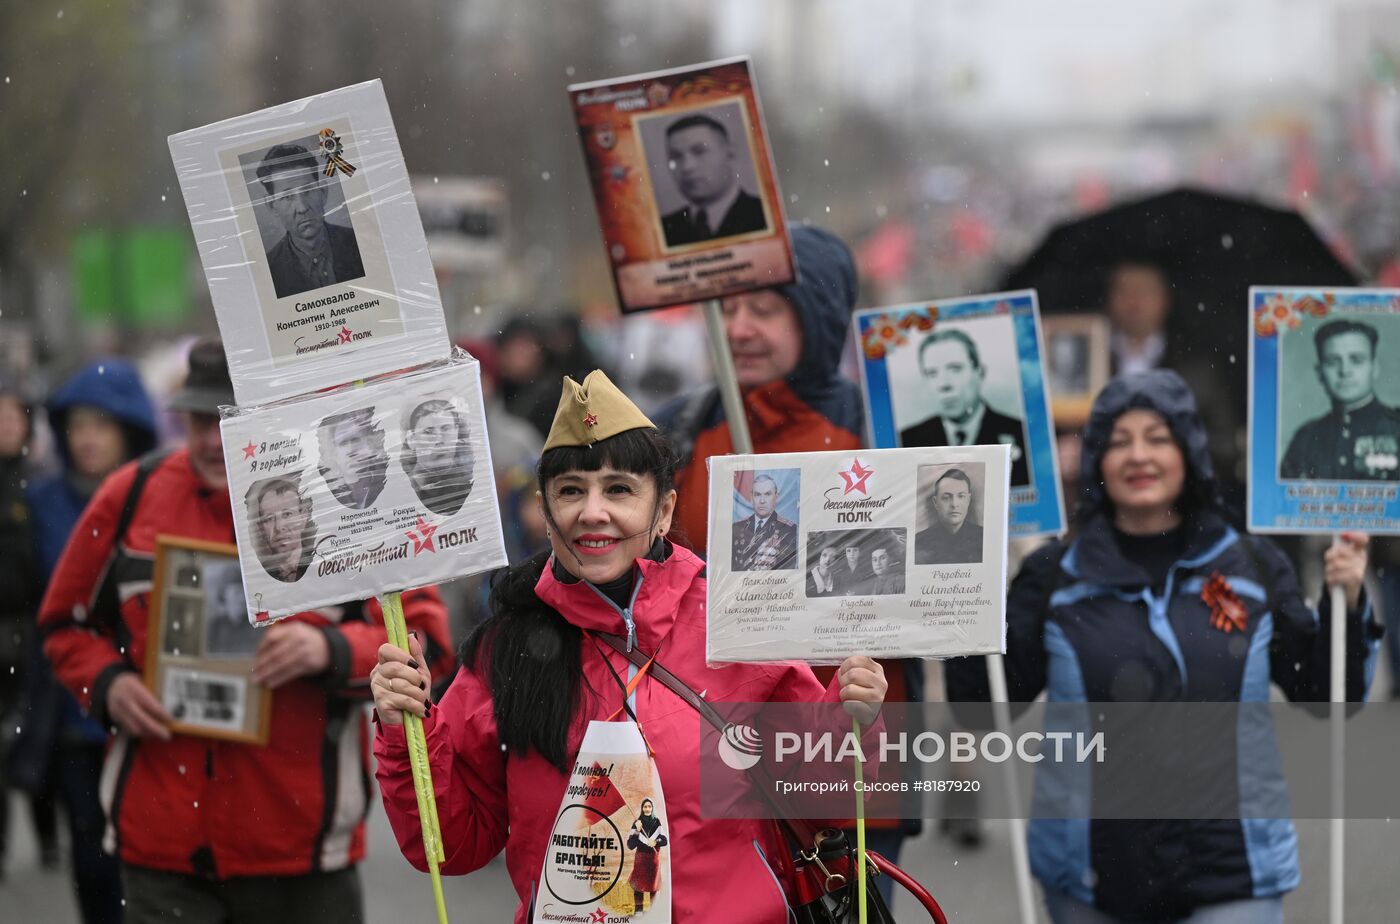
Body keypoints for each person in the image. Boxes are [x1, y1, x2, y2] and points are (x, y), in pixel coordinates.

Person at [372, 370, 887, 922]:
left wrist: (851, 718)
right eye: (571, 491)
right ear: (546, 514)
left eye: (618, 489)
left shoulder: (738, 621)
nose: (593, 512)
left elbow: (826, 802)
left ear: (662, 511)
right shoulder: (502, 651)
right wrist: (407, 734)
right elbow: (451, 845)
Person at [39, 339, 452, 924]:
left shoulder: (350, 500)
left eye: (233, 419)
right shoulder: (132, 493)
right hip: (161, 848)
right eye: (200, 419)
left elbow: (427, 645)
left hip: (301, 854)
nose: (211, 439)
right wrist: (108, 686)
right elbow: (63, 624)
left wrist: (330, 649)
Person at [946, 369, 1380, 924]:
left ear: (1188, 451)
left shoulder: (1253, 565)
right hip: (1091, 879)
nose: (1138, 456)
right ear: (1098, 460)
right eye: (1119, 441)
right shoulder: (1053, 575)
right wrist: (957, 604)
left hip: (1233, 873)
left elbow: (1325, 694)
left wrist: (1346, 603)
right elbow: (982, 705)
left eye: (1158, 437)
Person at [658, 225, 922, 891]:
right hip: (719, 757)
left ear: (819, 318)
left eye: (765, 309)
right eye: (728, 309)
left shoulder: (884, 433)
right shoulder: (680, 433)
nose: (740, 328)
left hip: (852, 760)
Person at [16, 357, 157, 921]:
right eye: (77, 425)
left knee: (150, 865)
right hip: (75, 710)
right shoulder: (43, 503)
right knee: (92, 861)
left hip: (151, 709)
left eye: (101, 424)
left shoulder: (157, 497)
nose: (88, 438)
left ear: (128, 428)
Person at [899, 328, 1031, 487]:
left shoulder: (1023, 435)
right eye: (932, 373)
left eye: (955, 369)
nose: (944, 384)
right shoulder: (907, 442)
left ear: (980, 372)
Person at [0, 371, 40, 880]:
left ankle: (48, 832)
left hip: (30, 628)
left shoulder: (39, 481)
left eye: (12, 416)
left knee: (36, 733)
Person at [1280, 318, 1400, 481]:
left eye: (1356, 360)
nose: (1344, 371)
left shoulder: (1396, 428)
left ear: (1375, 367)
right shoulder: (1305, 439)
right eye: (1332, 362)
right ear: (1319, 372)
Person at [255, 143, 365, 299]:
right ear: (272, 206)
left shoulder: (361, 244)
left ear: (323, 191)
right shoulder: (267, 273)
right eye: (287, 197)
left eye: (307, 191)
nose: (302, 208)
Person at [659, 113, 767, 247]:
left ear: (730, 153)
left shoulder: (765, 215)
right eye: (676, 156)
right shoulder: (662, 229)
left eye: (700, 152)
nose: (687, 167)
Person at [401, 398, 475, 516]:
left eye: (446, 429)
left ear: (457, 430)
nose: (439, 440)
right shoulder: (402, 490)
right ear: (411, 439)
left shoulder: (470, 482)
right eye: (428, 431)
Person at [246, 476, 314, 582]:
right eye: (269, 519)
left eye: (287, 514)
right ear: (261, 527)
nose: (279, 526)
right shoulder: (256, 575)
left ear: (303, 517)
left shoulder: (319, 559)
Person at [317, 407, 388, 509]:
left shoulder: (387, 485)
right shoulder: (327, 500)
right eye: (343, 443)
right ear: (334, 454)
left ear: (369, 444)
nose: (351, 450)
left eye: (355, 440)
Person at [914, 468, 985, 565]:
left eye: (961, 496)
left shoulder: (983, 538)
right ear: (935, 502)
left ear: (968, 500)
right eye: (946, 497)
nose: (954, 504)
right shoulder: (919, 542)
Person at [731, 472, 797, 571]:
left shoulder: (788, 529)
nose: (762, 501)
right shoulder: (737, 527)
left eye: (767, 494)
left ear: (776, 497)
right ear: (751, 497)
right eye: (757, 494)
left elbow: (788, 567)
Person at [627, 798, 667, 914]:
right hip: (641, 859)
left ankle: (652, 914)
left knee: (652, 887)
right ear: (642, 808)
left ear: (652, 808)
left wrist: (656, 842)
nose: (647, 809)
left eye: (649, 806)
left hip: (653, 861)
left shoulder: (657, 822)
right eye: (645, 806)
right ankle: (638, 911)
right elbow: (630, 845)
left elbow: (664, 840)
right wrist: (638, 831)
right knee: (638, 887)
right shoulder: (637, 823)